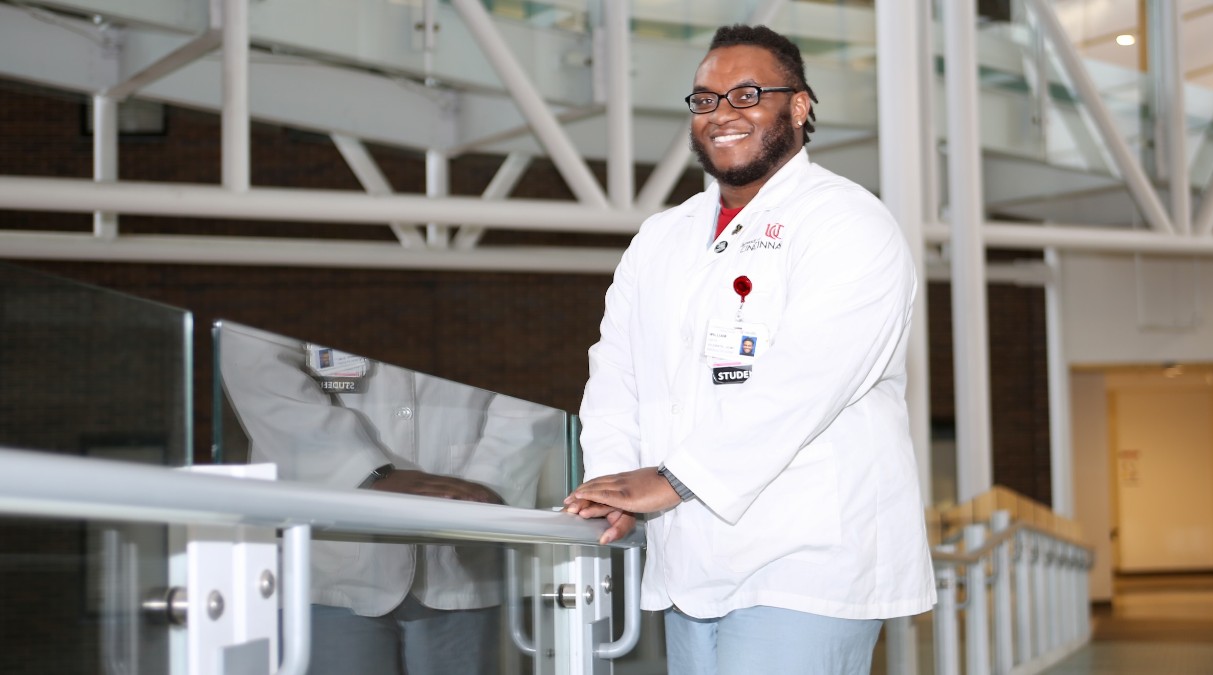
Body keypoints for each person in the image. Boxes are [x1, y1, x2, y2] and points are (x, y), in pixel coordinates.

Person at [564, 25, 936, 675]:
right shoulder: (661, 238)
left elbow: (803, 382)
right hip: (689, 562)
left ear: (798, 106)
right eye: (705, 99)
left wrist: (674, 479)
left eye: (747, 94)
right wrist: (612, 480)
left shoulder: (849, 224)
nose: (722, 114)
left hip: (807, 560)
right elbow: (616, 371)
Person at [216, 320, 561, 675]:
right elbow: (258, 368)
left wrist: (488, 484)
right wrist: (360, 471)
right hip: (326, 561)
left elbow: (534, 382)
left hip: (465, 557)